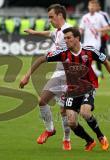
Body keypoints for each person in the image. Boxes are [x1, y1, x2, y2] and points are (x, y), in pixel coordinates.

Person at [20, 27, 110, 151]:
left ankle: (101, 136)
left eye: (69, 38)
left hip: (88, 87)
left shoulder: (89, 51)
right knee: (71, 122)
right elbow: (41, 59)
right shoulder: (62, 53)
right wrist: (26, 76)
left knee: (85, 112)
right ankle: (89, 141)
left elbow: (105, 61)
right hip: (72, 90)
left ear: (77, 38)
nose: (66, 41)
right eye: (65, 38)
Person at [24, 4, 72, 150]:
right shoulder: (58, 31)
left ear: (60, 16)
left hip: (70, 75)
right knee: (42, 101)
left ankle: (66, 139)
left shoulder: (68, 32)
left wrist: (26, 76)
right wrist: (33, 32)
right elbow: (49, 33)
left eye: (51, 17)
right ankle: (50, 129)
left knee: (64, 110)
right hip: (59, 71)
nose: (49, 20)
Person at [79, 0, 110, 78]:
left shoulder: (100, 16)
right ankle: (97, 73)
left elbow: (107, 27)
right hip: (86, 42)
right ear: (88, 7)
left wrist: (99, 30)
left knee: (90, 58)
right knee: (86, 60)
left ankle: (92, 75)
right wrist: (77, 37)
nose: (92, 7)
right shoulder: (85, 17)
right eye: (90, 6)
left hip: (96, 42)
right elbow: (81, 29)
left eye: (93, 6)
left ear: (96, 7)